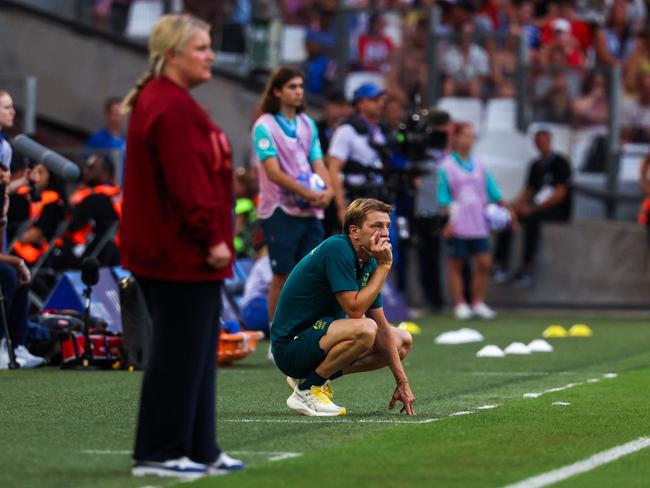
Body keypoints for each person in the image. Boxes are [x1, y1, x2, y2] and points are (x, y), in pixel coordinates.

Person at [119, 14, 244, 479]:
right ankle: (159, 451)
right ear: (172, 55)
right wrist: (210, 236)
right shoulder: (168, 106)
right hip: (177, 253)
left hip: (181, 252)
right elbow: (186, 183)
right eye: (201, 48)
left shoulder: (172, 100)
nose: (211, 55)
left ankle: (199, 447)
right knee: (176, 355)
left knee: (194, 354)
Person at [271, 198, 415, 417]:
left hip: (319, 338)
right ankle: (308, 390)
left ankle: (311, 378)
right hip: (291, 346)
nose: (385, 232)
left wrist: (402, 381)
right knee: (365, 328)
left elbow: (382, 325)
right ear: (354, 231)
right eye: (376, 226)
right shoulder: (337, 248)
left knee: (401, 341)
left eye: (387, 226)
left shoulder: (369, 260)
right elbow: (356, 311)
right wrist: (386, 265)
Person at [251, 66, 333, 334]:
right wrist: (308, 193)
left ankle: (304, 332)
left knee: (311, 276)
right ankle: (278, 335)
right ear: (277, 91)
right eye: (292, 87)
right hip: (280, 210)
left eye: (300, 86)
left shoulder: (307, 124)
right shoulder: (265, 126)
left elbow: (318, 163)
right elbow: (272, 172)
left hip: (310, 212)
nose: (298, 92)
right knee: (282, 275)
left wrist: (328, 190)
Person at [438, 122, 508, 320]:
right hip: (458, 219)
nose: (469, 139)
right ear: (456, 138)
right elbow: (443, 197)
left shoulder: (479, 164)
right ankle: (460, 303)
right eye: (465, 135)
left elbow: (492, 190)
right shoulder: (446, 166)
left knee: (484, 262)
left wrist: (505, 208)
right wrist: (447, 222)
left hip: (478, 220)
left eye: (471, 135)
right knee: (456, 264)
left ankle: (478, 302)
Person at [493, 128, 572, 286]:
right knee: (508, 217)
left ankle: (527, 267)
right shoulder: (535, 165)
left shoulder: (560, 163)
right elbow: (528, 191)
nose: (541, 145)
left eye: (544, 141)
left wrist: (535, 208)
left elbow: (559, 193)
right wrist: (514, 207)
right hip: (536, 206)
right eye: (538, 142)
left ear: (549, 141)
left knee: (531, 220)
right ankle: (500, 264)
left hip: (556, 209)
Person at [328, 82, 389, 225]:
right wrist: (341, 206)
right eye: (373, 100)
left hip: (379, 197)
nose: (379, 103)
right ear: (360, 104)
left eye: (380, 99)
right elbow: (334, 169)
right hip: (357, 199)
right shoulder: (346, 131)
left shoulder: (382, 131)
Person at [85, 97, 126, 171]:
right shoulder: (97, 139)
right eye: (116, 113)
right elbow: (87, 161)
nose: (120, 116)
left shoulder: (127, 139)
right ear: (108, 114)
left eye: (121, 113)